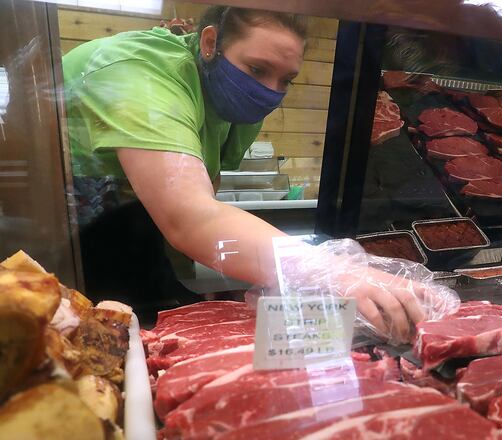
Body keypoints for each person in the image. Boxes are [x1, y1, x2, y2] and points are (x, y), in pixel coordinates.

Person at [63, 6, 429, 342]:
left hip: (134, 236)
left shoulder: (223, 94)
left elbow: (201, 193)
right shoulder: (141, 71)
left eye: (286, 80)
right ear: (210, 43)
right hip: (67, 244)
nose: (270, 91)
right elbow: (189, 216)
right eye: (257, 69)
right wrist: (330, 270)